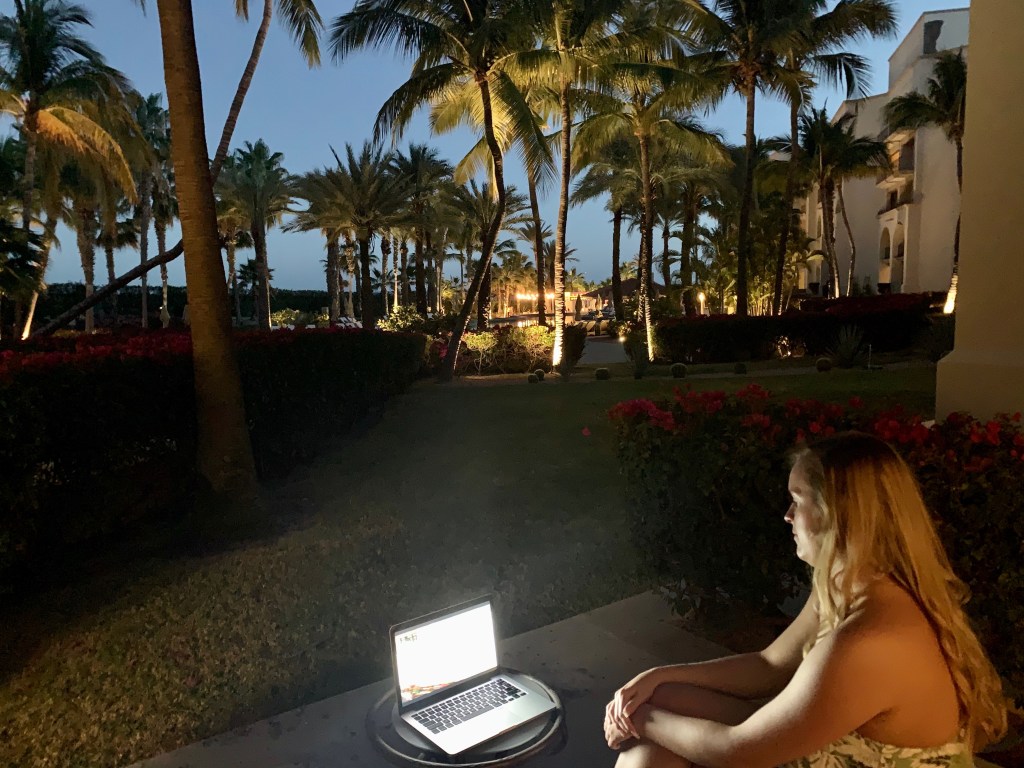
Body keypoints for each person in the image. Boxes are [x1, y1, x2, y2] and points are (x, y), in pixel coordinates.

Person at [605, 432, 1007, 768]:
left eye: (797, 501)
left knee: (649, 733)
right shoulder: (848, 583)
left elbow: (738, 752)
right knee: (663, 699)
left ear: (840, 515)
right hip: (839, 753)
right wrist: (659, 676)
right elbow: (769, 665)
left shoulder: (871, 641)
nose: (787, 516)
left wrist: (640, 719)